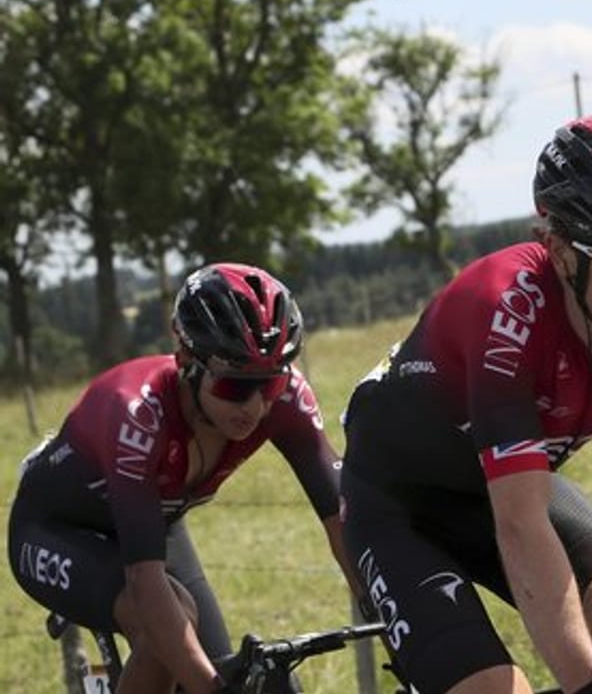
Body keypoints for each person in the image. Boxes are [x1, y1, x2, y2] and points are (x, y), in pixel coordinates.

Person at [338, 112, 592, 694]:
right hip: (401, 510)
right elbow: (519, 527)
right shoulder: (505, 311)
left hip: (515, 487)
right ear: (561, 252)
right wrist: (587, 685)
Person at [8, 262, 362, 693]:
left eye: (268, 384)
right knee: (169, 627)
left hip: (155, 524)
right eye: (234, 386)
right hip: (55, 529)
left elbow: (345, 521)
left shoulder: (286, 400)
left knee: (217, 665)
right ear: (186, 362)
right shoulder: (138, 413)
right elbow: (146, 583)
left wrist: (399, 619)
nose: (252, 405)